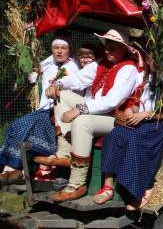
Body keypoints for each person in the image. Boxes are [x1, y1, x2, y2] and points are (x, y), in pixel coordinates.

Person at [39, 28, 138, 202]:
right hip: (94, 111)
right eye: (107, 46)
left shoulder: (128, 69)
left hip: (114, 118)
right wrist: (58, 84)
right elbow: (77, 79)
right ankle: (64, 153)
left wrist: (79, 110)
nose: (108, 50)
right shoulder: (101, 64)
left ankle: (77, 184)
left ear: (124, 49)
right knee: (61, 95)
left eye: (114, 47)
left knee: (82, 122)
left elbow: (112, 101)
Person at [93, 55, 163, 218]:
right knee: (115, 134)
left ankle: (140, 190)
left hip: (156, 125)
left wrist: (146, 114)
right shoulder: (146, 82)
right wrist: (130, 111)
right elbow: (135, 104)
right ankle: (108, 186)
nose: (153, 62)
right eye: (150, 59)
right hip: (141, 122)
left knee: (134, 140)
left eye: (157, 59)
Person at [0, 36, 80, 185]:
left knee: (25, 123)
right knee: (15, 124)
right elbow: (40, 66)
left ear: (70, 50)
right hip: (43, 110)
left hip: (59, 112)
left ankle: (15, 168)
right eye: (56, 48)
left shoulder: (74, 66)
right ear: (52, 50)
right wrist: (34, 69)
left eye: (63, 48)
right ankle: (9, 169)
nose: (59, 51)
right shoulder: (49, 65)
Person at [33, 44, 98, 182]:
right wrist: (56, 84)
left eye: (89, 56)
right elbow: (73, 81)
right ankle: (20, 167)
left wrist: (76, 110)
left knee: (44, 121)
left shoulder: (95, 70)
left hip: (91, 111)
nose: (85, 60)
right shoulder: (78, 71)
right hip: (62, 108)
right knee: (33, 120)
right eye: (82, 57)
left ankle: (53, 170)